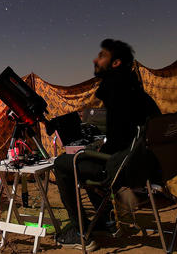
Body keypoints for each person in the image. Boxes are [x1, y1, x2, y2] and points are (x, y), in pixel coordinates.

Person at [53, 39, 161, 250]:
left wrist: (98, 150)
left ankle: (80, 231)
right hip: (145, 164)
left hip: (125, 166)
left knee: (62, 163)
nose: (96, 59)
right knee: (87, 159)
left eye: (102, 55)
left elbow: (119, 138)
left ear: (116, 63)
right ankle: (105, 222)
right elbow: (126, 128)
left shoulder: (116, 88)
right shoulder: (134, 88)